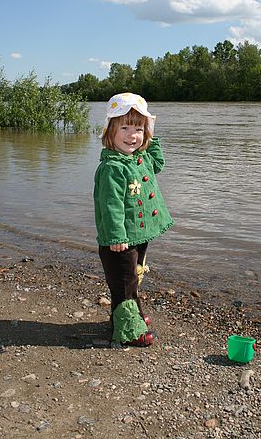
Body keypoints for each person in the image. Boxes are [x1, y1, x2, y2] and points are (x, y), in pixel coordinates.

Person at [93, 93, 174, 347]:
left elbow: (158, 163)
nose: (132, 135)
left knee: (133, 276)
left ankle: (131, 315)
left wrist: (150, 135)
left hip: (138, 234)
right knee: (124, 283)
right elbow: (111, 205)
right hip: (120, 238)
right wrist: (116, 236)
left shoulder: (139, 157)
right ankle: (128, 330)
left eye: (138, 128)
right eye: (125, 128)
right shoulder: (112, 167)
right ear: (110, 132)